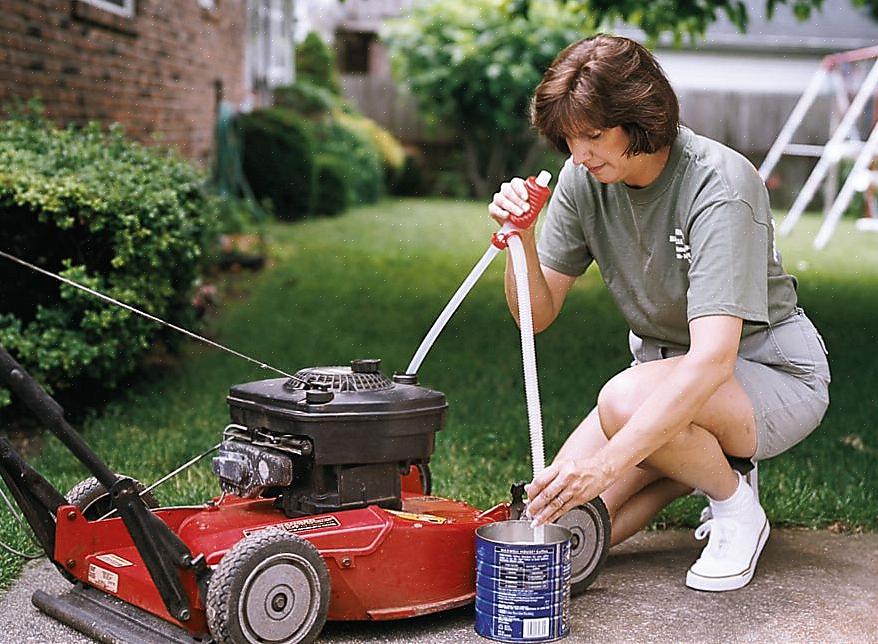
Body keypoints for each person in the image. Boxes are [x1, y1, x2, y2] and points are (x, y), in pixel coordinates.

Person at [489, 34, 830, 592]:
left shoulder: (719, 185)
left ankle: (736, 505)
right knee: (560, 528)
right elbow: (534, 317)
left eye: (594, 136)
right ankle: (693, 463)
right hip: (664, 379)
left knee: (623, 403)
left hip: (768, 375)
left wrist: (605, 464)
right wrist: (521, 240)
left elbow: (713, 363)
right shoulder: (584, 179)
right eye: (571, 139)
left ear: (639, 118)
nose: (579, 154)